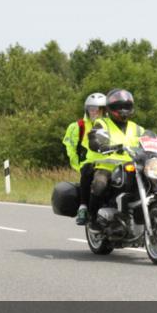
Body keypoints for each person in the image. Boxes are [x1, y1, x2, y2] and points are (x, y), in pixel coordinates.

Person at [85, 89, 146, 229]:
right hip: (108, 166)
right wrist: (98, 143)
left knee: (151, 180)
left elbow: (149, 140)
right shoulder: (102, 123)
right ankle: (92, 218)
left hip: (133, 167)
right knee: (99, 183)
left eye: (126, 106)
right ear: (110, 108)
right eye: (119, 107)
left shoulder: (137, 128)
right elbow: (94, 137)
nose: (123, 110)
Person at [63, 92, 107, 225]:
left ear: (105, 110)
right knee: (87, 172)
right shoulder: (78, 126)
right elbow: (70, 147)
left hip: (112, 161)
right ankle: (83, 207)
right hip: (91, 161)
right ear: (87, 110)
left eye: (98, 109)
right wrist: (78, 166)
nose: (95, 112)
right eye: (91, 109)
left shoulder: (111, 125)